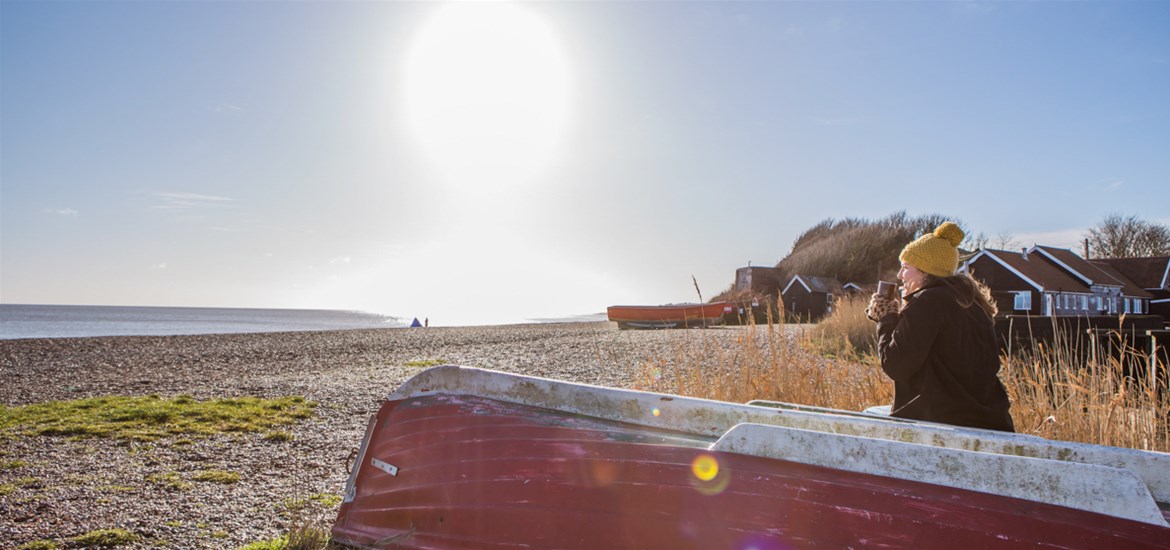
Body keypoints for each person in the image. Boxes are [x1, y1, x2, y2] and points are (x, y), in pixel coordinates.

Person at [866, 221, 1015, 432]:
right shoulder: (972, 303)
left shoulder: (927, 302)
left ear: (925, 272)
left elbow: (896, 365)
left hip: (943, 424)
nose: (900, 275)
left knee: (867, 421)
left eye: (906, 268)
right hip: (991, 421)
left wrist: (886, 318)